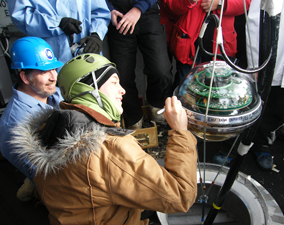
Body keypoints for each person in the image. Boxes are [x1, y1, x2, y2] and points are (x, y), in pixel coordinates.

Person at [9, 54, 198, 224]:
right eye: (114, 82)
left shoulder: (50, 128)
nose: (123, 90)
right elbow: (181, 196)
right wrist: (180, 132)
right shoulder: (109, 148)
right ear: (89, 89)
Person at [213, 0, 284, 171]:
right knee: (245, 98)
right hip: (268, 33)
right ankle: (232, 143)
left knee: (280, 105)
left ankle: (262, 143)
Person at [0, 36, 64, 200]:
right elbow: (49, 175)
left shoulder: (50, 91)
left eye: (53, 69)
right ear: (25, 77)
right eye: (44, 72)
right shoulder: (16, 126)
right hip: (53, 179)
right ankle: (35, 192)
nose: (53, 77)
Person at [105, 0, 174, 129]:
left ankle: (156, 106)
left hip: (148, 14)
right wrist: (108, 9)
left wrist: (138, 9)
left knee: (161, 70)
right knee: (122, 77)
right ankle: (134, 118)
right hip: (118, 18)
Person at [160, 0, 251, 87]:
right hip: (189, 45)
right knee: (185, 92)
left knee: (218, 92)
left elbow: (245, 3)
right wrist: (188, 1)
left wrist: (220, 3)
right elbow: (169, 4)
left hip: (221, 46)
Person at [8, 0, 111, 67]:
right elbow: (20, 15)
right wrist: (57, 23)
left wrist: (96, 35)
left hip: (87, 55)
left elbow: (100, 13)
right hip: (49, 57)